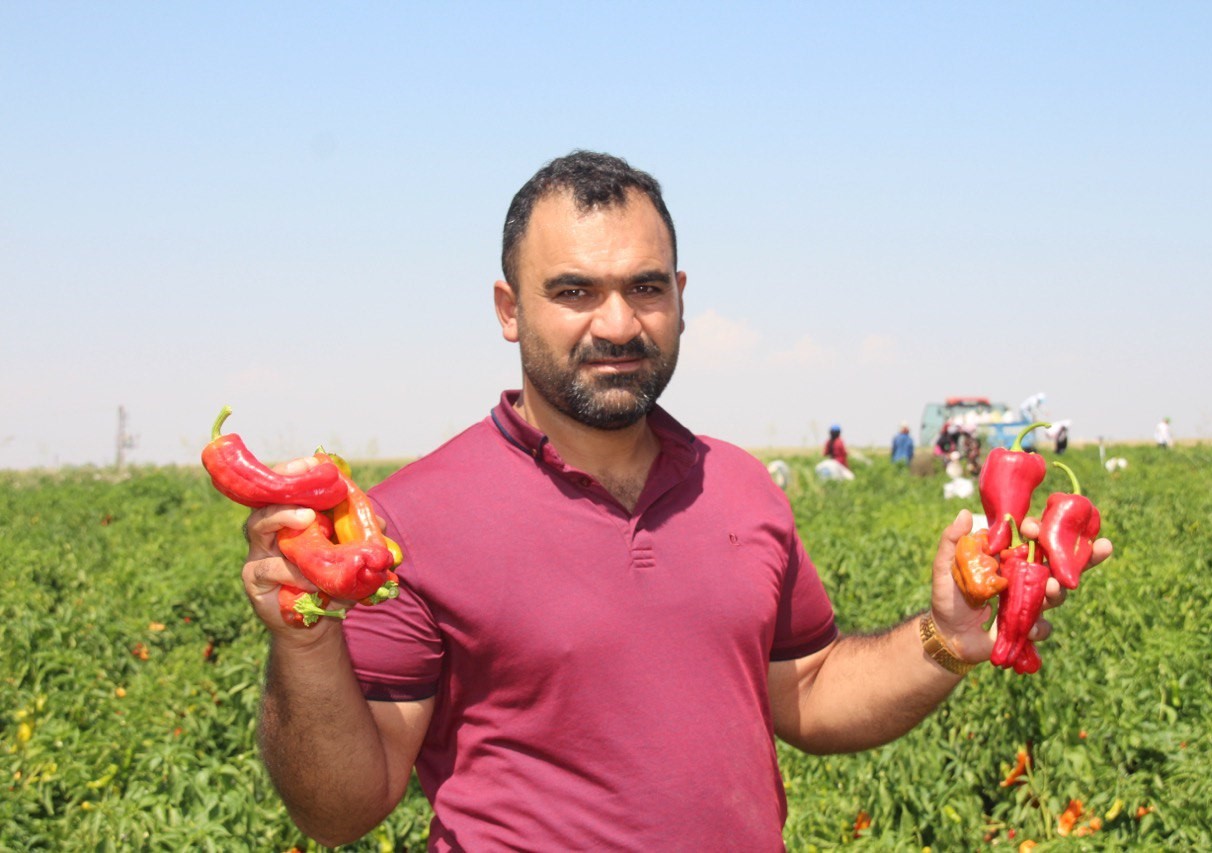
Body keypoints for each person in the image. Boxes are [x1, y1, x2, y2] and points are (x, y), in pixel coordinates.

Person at [240, 151, 1112, 849]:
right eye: (574, 291)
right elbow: (339, 809)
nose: (617, 323)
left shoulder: (738, 485)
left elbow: (806, 689)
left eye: (645, 288)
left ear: (682, 300)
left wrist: (948, 637)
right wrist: (304, 642)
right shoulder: (410, 520)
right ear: (509, 310)